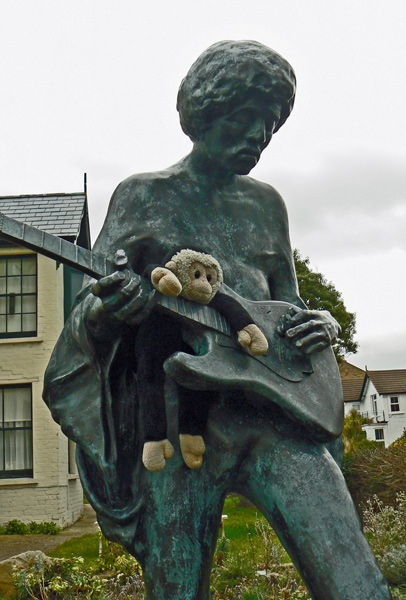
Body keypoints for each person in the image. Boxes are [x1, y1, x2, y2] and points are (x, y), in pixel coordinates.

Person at [44, 41, 392, 600]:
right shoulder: (143, 196)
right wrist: (111, 310)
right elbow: (89, 310)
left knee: (356, 584)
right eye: (244, 118)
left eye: (271, 125)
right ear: (204, 112)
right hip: (180, 427)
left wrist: (321, 324)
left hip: (275, 420)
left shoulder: (267, 206)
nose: (258, 136)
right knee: (177, 590)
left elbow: (286, 309)